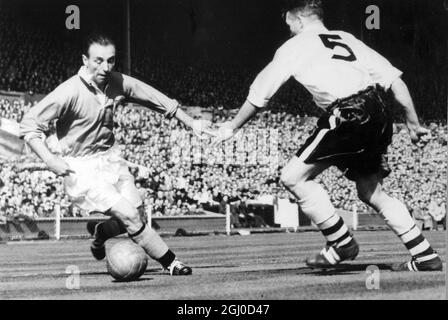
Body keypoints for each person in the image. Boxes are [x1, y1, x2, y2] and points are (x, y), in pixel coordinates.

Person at [212, 0, 442, 271]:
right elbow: (396, 82)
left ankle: (341, 243)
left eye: (288, 23)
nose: (288, 29)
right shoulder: (347, 39)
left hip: (348, 112)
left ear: (298, 20)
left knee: (292, 177)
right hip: (379, 111)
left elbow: (260, 92)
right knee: (372, 191)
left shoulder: (293, 47)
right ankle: (425, 255)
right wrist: (413, 123)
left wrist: (233, 126)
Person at [20, 34, 213, 276]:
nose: (105, 67)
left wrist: (191, 122)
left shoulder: (117, 81)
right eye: (98, 61)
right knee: (130, 215)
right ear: (85, 60)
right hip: (81, 167)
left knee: (135, 216)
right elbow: (29, 125)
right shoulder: (69, 91)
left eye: (110, 61)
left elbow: (154, 98)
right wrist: (49, 159)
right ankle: (172, 263)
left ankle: (101, 233)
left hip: (111, 159)